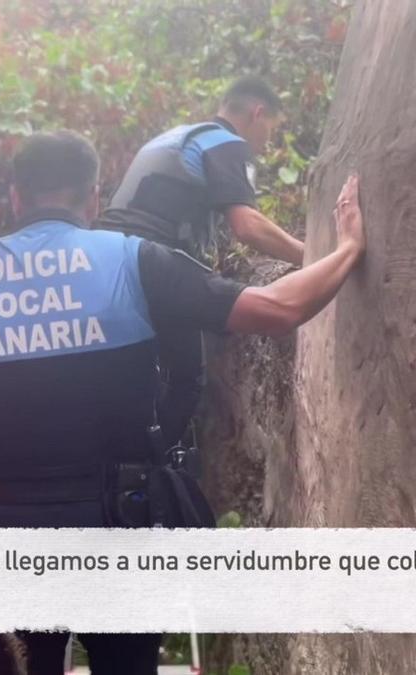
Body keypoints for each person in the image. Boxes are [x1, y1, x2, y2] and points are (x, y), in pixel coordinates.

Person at [0, 131, 366, 675]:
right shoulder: (133, 261)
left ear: (15, 198)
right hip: (116, 534)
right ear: (93, 198)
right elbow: (278, 308)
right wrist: (348, 249)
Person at [95, 75, 304, 446]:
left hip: (104, 258)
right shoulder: (226, 143)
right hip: (150, 261)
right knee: (186, 379)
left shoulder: (179, 136)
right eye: (270, 130)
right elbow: (247, 226)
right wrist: (311, 255)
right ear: (257, 113)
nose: (265, 143)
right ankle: (155, 470)